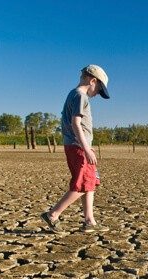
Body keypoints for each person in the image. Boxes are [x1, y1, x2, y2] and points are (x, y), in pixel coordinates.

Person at [41, 64, 111, 233]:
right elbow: (76, 124)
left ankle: (90, 221)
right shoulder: (80, 96)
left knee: (91, 182)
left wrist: (88, 147)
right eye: (98, 90)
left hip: (79, 145)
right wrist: (86, 149)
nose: (96, 95)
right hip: (78, 146)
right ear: (93, 81)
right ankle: (53, 214)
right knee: (81, 184)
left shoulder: (74, 95)